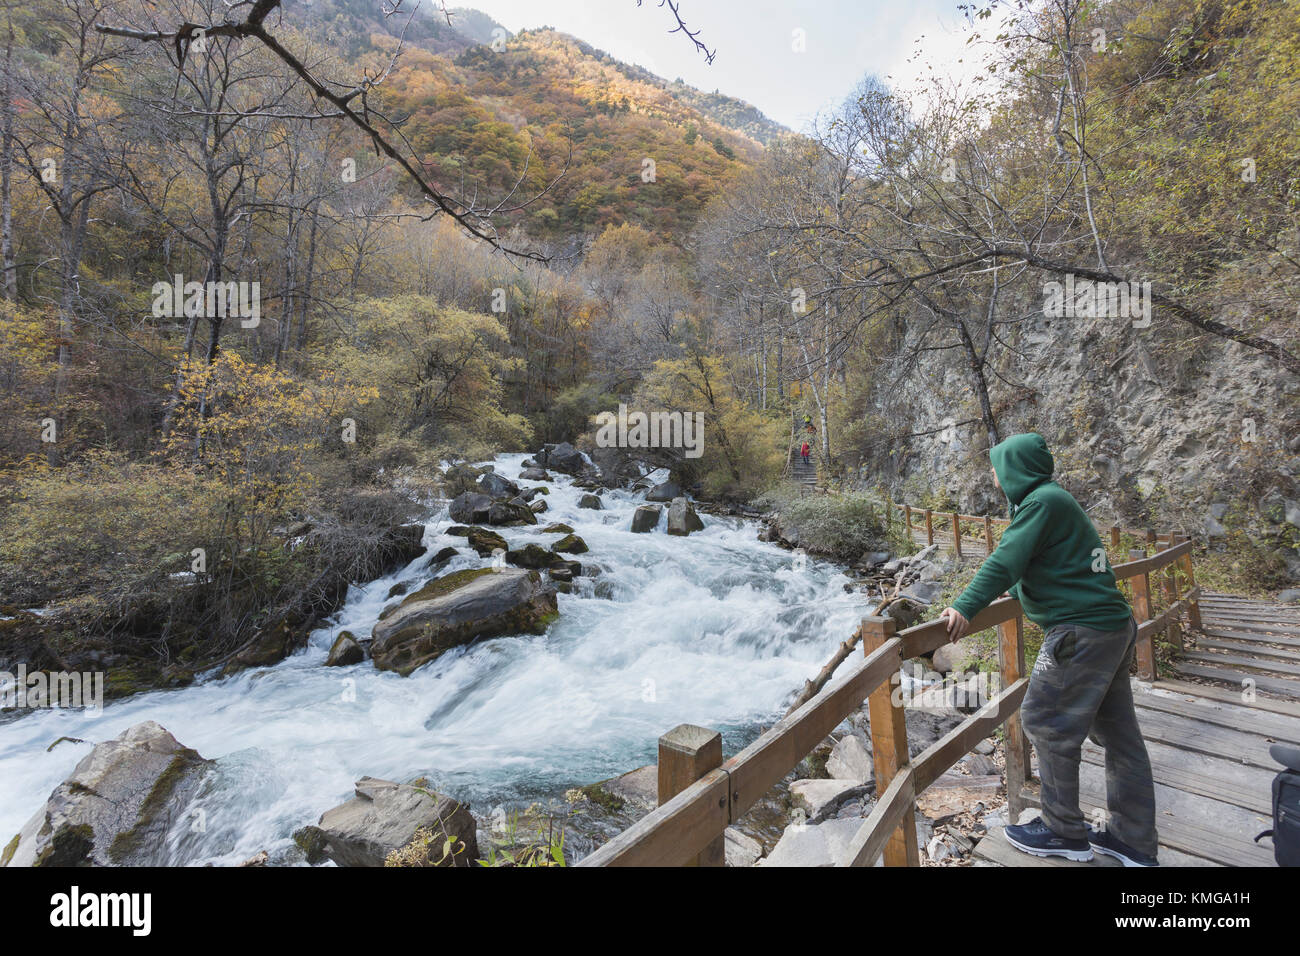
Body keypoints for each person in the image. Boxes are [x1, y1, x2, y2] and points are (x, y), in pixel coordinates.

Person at [938, 432, 1159, 867]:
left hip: (1080, 632)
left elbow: (1004, 560)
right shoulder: (1052, 500)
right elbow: (1048, 565)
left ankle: (1063, 831)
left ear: (1015, 469)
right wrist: (1019, 591)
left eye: (998, 469)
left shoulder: (1041, 502)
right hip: (1111, 626)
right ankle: (1132, 840)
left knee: (1046, 720)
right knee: (1121, 738)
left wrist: (964, 606)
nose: (995, 478)